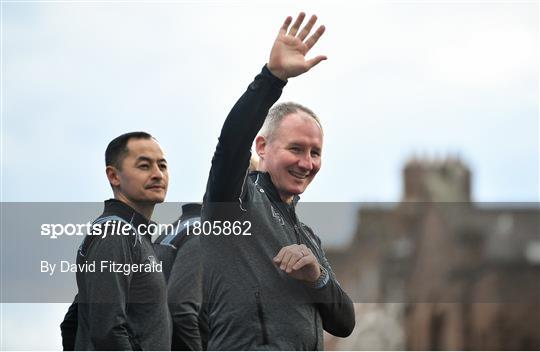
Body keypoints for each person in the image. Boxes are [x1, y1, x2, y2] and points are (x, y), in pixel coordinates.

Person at [201, 12, 355, 350]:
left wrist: (317, 277)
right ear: (262, 146)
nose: (306, 163)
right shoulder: (235, 205)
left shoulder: (307, 236)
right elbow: (230, 146)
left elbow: (344, 322)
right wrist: (272, 78)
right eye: (296, 149)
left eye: (315, 153)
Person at [61, 132, 172, 350]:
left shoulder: (133, 236)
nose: (158, 174)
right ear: (114, 176)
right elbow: (107, 330)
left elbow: (72, 322)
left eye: (162, 166)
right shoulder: (114, 234)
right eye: (144, 166)